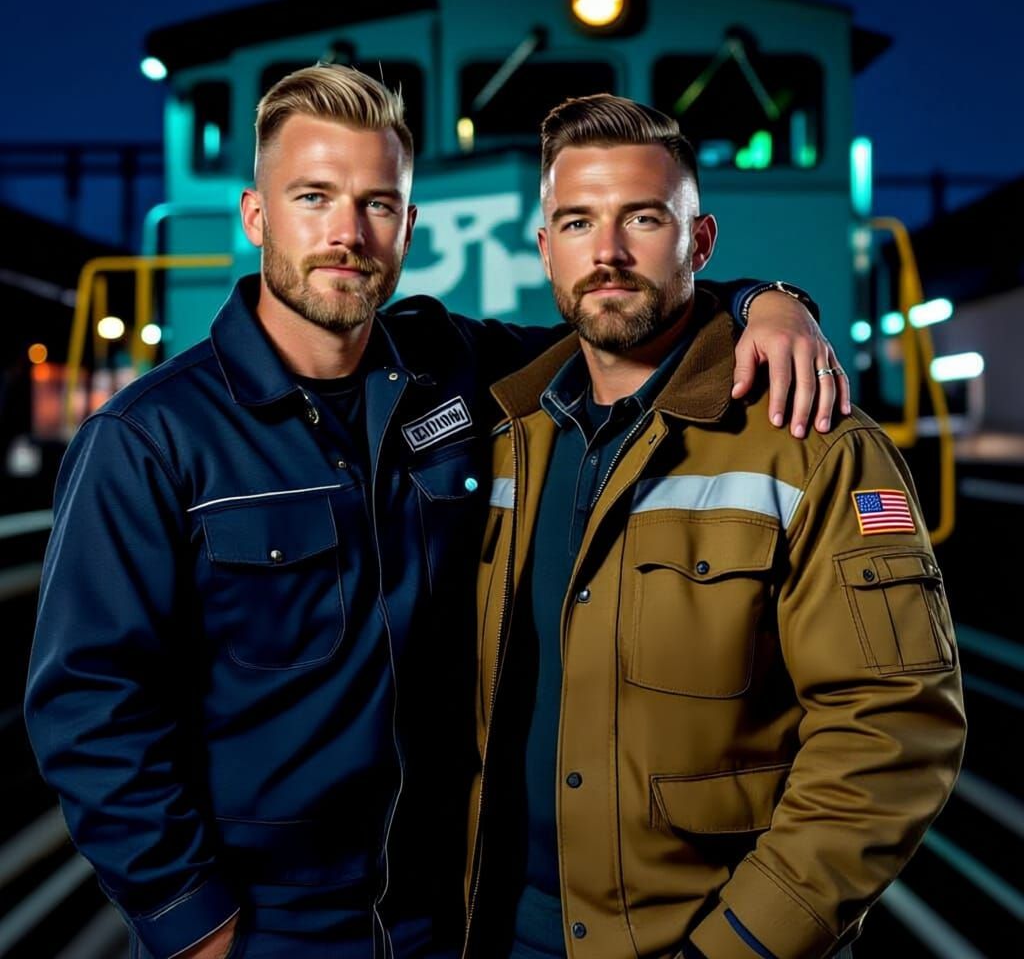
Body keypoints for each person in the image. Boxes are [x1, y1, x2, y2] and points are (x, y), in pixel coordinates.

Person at [25, 66, 845, 959]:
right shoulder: (150, 439)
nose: (347, 234)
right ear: (257, 216)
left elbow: (624, 318)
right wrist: (191, 919)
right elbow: (88, 703)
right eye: (314, 197)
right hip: (268, 927)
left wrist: (769, 304)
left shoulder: (455, 367)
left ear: (409, 227)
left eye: (378, 204)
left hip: (447, 909)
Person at [465, 94, 966, 959]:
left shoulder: (809, 443)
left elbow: (893, 728)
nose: (609, 253)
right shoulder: (502, 432)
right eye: (578, 222)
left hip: (707, 941)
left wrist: (739, 945)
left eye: (644, 219)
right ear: (546, 249)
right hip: (502, 933)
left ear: (700, 242)